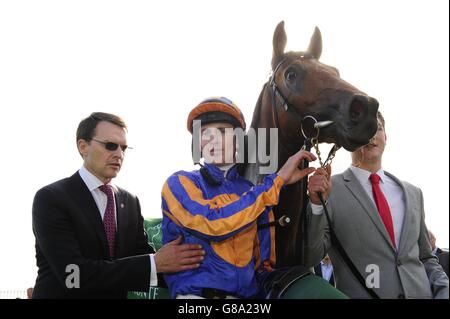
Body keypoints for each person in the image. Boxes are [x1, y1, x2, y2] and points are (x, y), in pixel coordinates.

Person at [161, 97, 323, 299]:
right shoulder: (179, 183)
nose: (214, 139)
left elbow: (263, 265)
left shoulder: (252, 191)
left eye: (222, 131)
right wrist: (278, 180)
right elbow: (213, 223)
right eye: (204, 133)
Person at [32, 112, 205, 298]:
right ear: (83, 146)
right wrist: (155, 263)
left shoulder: (130, 202)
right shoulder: (51, 198)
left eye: (124, 148)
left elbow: (147, 260)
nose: (119, 154)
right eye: (110, 146)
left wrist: (208, 277)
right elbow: (73, 275)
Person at [304, 111, 449, 298]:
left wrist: (444, 289)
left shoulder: (414, 193)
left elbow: (426, 257)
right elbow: (311, 256)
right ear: (348, 140)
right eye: (362, 128)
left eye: (377, 128)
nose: (371, 135)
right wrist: (316, 204)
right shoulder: (328, 191)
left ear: (386, 137)